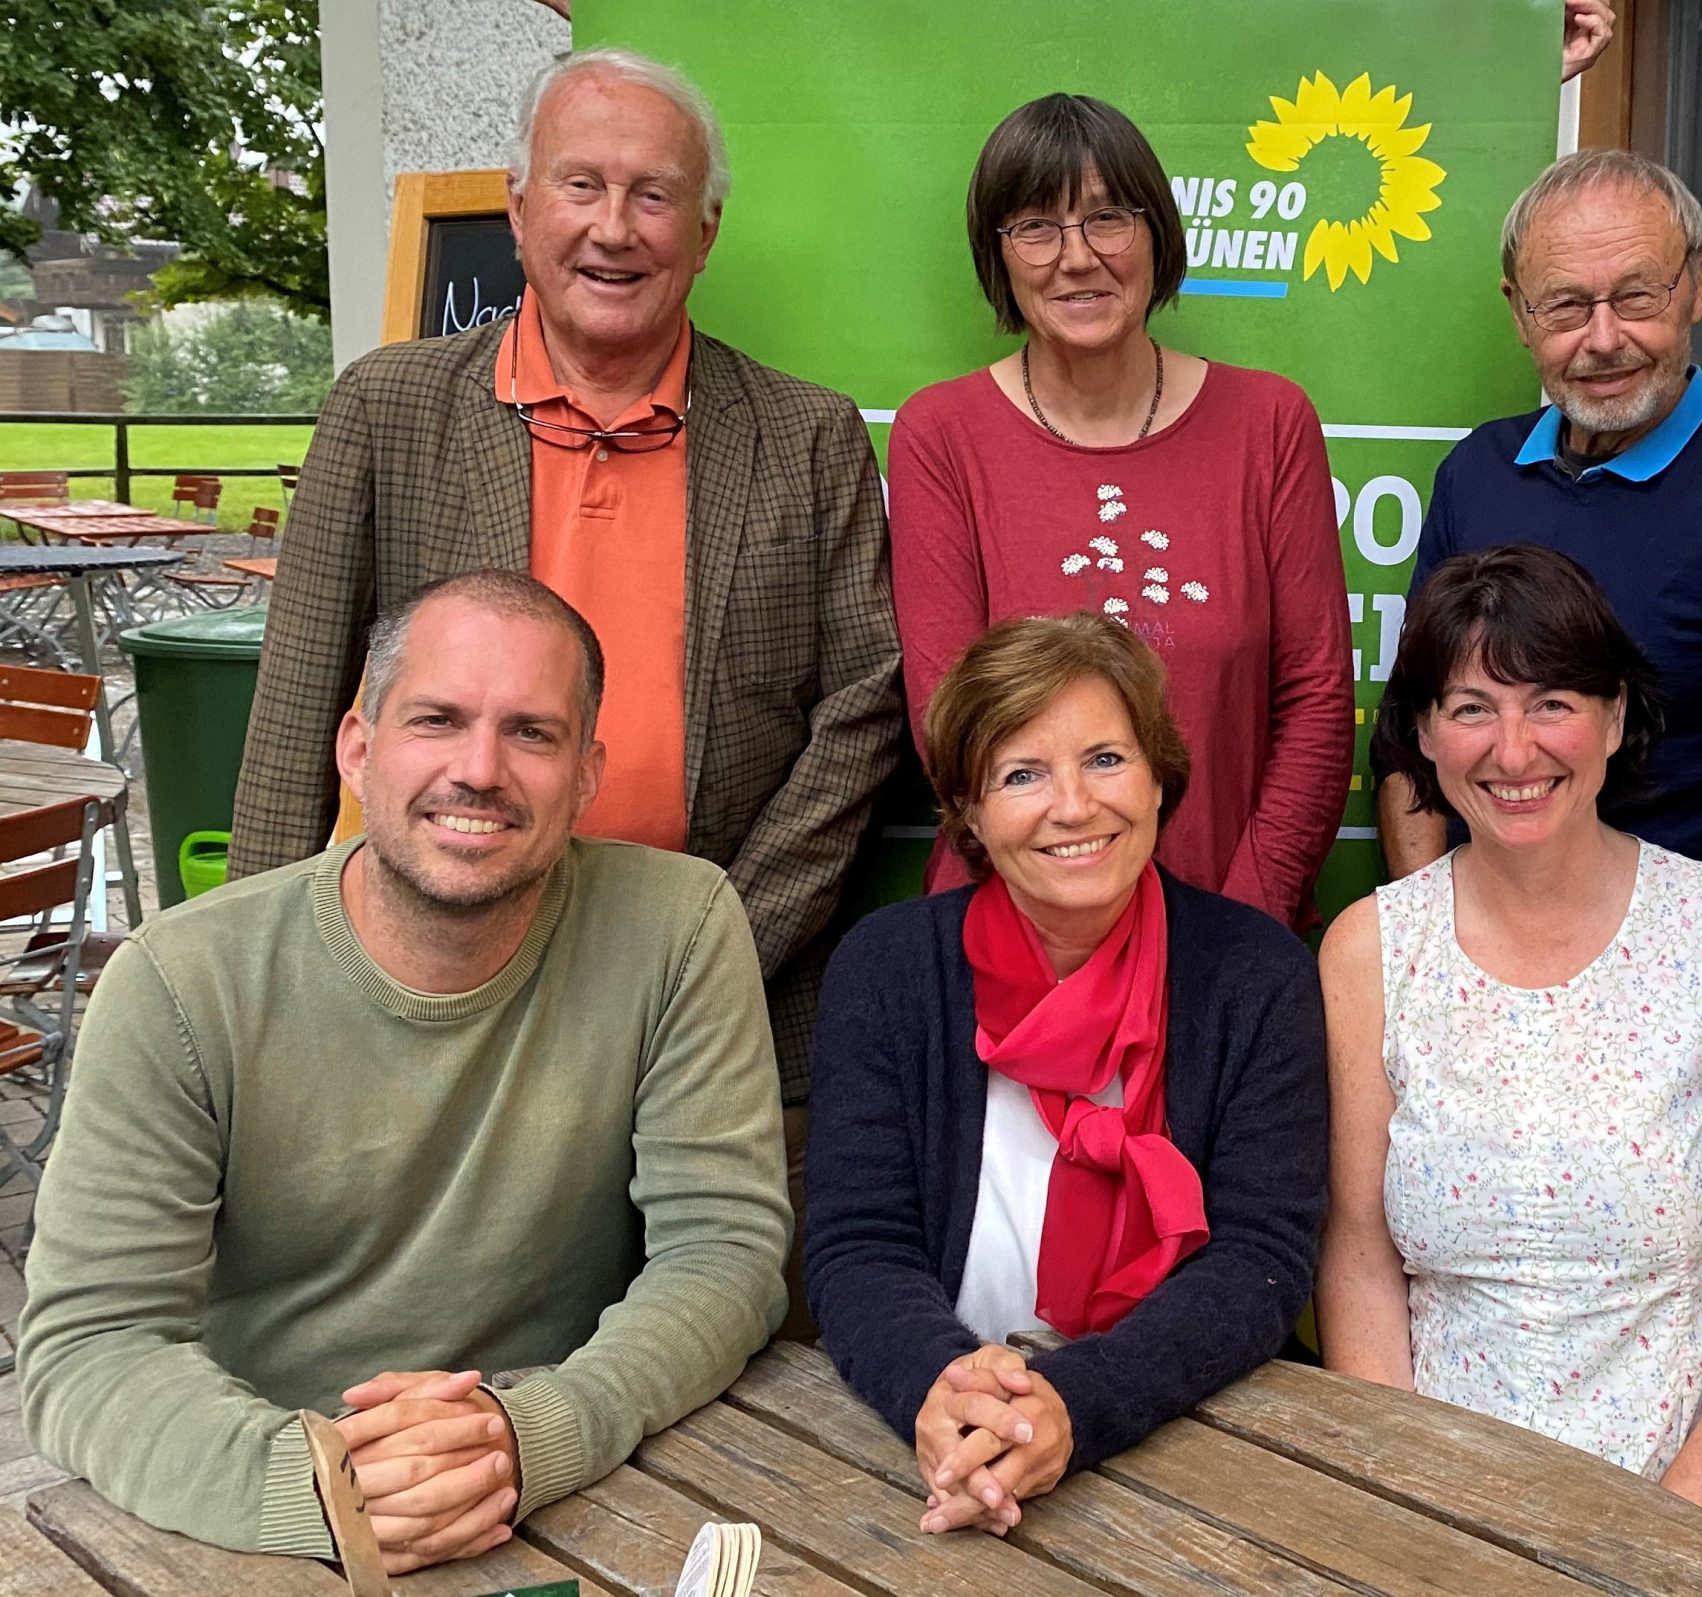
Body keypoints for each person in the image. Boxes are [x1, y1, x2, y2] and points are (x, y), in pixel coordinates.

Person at [227, 47, 904, 1209]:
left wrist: (715, 948)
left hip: (721, 1009)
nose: (614, 228)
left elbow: (864, 706)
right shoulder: (386, 410)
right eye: (581, 185)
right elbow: (295, 714)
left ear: (706, 229)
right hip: (429, 982)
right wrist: (248, 996)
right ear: (519, 204)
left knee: (719, 1336)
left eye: (653, 195)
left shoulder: (808, 437)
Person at [18, 571, 790, 1573]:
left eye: (532, 732)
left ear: (588, 771)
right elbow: (93, 1343)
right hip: (262, 1490)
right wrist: (317, 1483)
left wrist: (540, 1431)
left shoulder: (679, 926)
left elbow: (724, 1250)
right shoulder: (182, 979)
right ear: (357, 747)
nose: (479, 768)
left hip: (571, 1483)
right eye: (437, 718)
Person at [1319, 546, 1702, 1574]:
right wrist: (1406, 1503)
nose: (1512, 750)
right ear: (1422, 734)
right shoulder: (1370, 951)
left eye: (1550, 700)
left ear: (1613, 717)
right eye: (1469, 708)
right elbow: (1360, 1257)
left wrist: (1657, 1538)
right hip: (1453, 1516)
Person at [804, 613, 1328, 1535]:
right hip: (934, 1444)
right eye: (1021, 774)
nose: (1075, 806)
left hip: (1187, 1439)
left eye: (1106, 760)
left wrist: (1072, 1404)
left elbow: (1261, 1262)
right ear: (967, 810)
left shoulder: (1256, 973)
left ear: (1161, 777)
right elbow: (858, 1247)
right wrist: (952, 1398)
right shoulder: (888, 969)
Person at [889, 93, 1352, 929]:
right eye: (1035, 226)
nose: (1076, 258)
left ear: (1157, 234)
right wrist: (1057, 935)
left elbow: (1317, 700)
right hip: (1010, 934)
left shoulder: (1270, 423)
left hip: (1228, 923)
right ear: (998, 256)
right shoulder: (940, 434)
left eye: (1107, 217)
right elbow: (947, 724)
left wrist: (1240, 929)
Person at [1374, 150, 1702, 880]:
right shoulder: (1475, 474)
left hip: (1678, 957)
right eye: (1565, 305)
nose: (1602, 339)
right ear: (1518, 314)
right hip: (1479, 939)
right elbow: (1410, 730)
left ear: (1696, 286)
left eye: (1636, 298)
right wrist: (1420, 936)